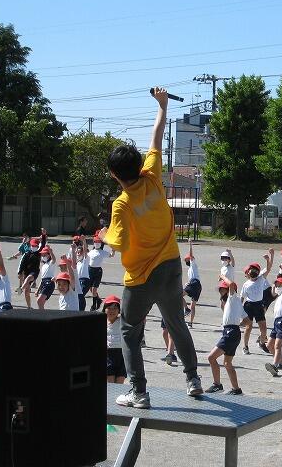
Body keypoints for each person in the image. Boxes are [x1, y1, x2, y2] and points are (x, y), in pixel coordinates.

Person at [100, 87, 203, 408]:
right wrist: (162, 106)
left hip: (141, 277)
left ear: (114, 174)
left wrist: (103, 235)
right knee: (177, 324)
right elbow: (156, 138)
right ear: (138, 164)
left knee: (129, 331)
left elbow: (117, 243)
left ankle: (139, 392)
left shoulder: (121, 204)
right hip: (171, 266)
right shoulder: (153, 176)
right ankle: (193, 379)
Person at [205, 281, 248, 395]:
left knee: (211, 357)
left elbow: (232, 284)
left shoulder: (232, 298)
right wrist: (237, 324)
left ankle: (217, 385)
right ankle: (236, 389)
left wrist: (222, 276)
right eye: (220, 289)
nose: (220, 291)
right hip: (233, 332)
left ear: (229, 291)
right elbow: (247, 321)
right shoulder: (235, 303)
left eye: (222, 289)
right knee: (227, 363)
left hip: (230, 332)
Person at [240, 253, 273, 355]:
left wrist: (267, 260)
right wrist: (239, 309)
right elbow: (242, 297)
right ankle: (245, 346)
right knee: (248, 327)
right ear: (248, 273)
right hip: (249, 306)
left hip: (259, 305)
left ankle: (261, 343)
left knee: (263, 329)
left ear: (258, 272)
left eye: (255, 270)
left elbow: (268, 269)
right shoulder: (246, 284)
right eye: (251, 270)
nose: (252, 271)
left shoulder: (261, 279)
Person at [265, 263, 282, 376]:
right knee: (269, 345)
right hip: (277, 323)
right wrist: (273, 285)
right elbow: (273, 292)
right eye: (276, 285)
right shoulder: (278, 298)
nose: (277, 286)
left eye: (279, 284)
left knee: (277, 346)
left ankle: (275, 366)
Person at [17, 236, 46, 309]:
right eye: (32, 246)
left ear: (37, 246)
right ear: (30, 246)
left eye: (35, 246)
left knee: (29, 278)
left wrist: (43, 235)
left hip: (34, 272)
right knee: (27, 291)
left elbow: (43, 244)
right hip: (26, 272)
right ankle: (29, 306)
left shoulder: (38, 253)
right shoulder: (27, 254)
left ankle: (21, 289)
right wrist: (20, 272)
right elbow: (22, 264)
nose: (34, 247)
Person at [87, 235, 114, 311]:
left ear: (101, 243)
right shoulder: (91, 252)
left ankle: (94, 305)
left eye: (98, 242)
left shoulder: (102, 252)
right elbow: (86, 258)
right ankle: (98, 300)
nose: (97, 243)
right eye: (95, 242)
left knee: (94, 289)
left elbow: (111, 255)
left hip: (97, 271)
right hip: (90, 270)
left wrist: (113, 249)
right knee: (90, 288)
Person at [104, 295, 126, 384]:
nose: (112, 311)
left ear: (119, 310)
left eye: (115, 308)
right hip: (108, 355)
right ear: (104, 309)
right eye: (109, 308)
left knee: (119, 384)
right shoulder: (101, 321)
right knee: (110, 384)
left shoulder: (123, 321)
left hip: (122, 355)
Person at [183, 240, 202, 328]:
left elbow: (191, 255)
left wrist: (190, 244)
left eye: (186, 259)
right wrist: (188, 283)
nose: (186, 261)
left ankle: (186, 309)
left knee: (179, 295)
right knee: (193, 305)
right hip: (197, 285)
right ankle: (190, 323)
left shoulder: (193, 264)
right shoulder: (190, 269)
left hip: (194, 283)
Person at [75, 236, 91, 311]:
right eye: (77, 252)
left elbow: (84, 250)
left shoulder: (85, 260)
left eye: (79, 252)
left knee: (80, 295)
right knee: (78, 296)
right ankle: (79, 309)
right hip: (78, 281)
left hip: (85, 281)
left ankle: (81, 310)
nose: (78, 254)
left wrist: (84, 241)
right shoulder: (77, 263)